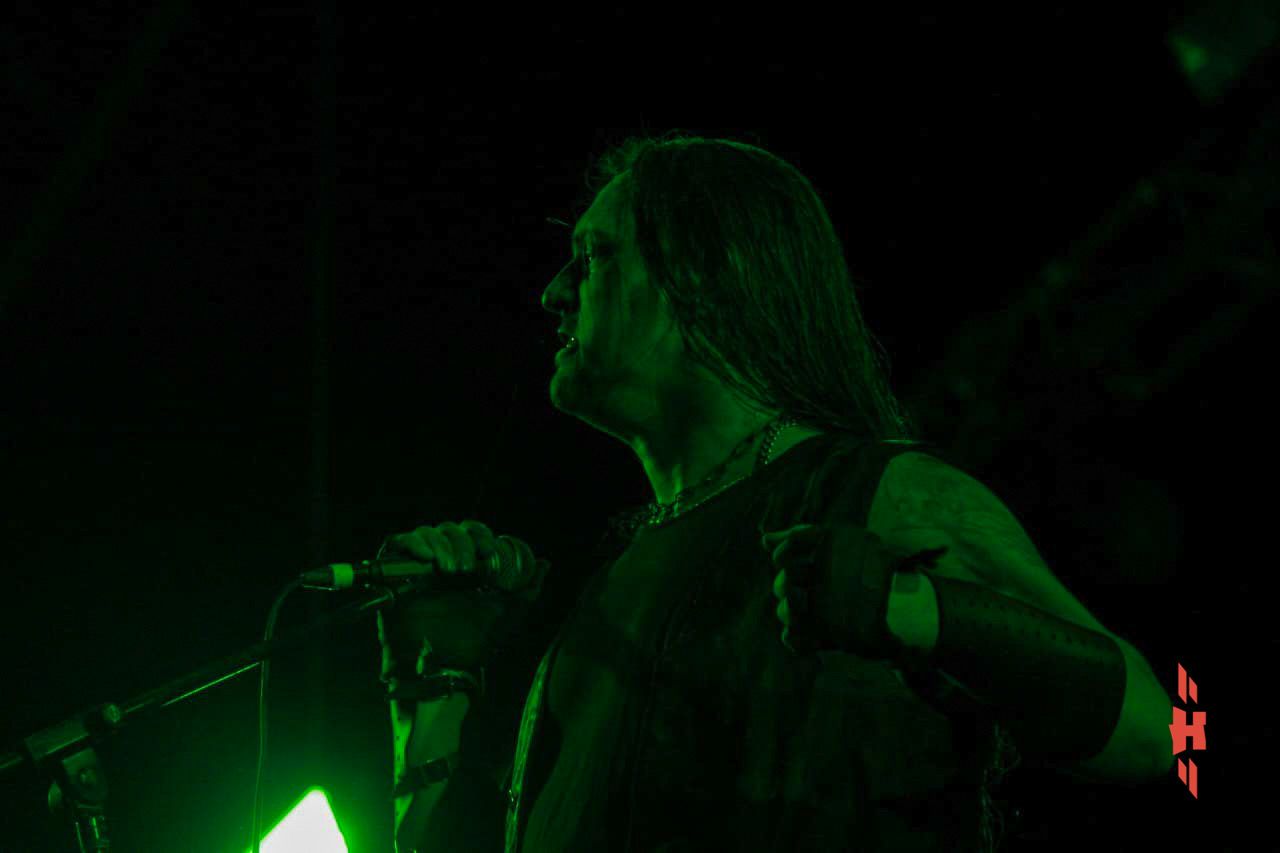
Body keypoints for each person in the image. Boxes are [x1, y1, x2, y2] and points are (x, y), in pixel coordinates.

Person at [377, 133, 1176, 852]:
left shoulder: (881, 494)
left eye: (593, 257)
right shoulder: (602, 594)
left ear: (701, 272)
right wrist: (436, 681)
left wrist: (920, 611)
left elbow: (1178, 730)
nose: (553, 291)